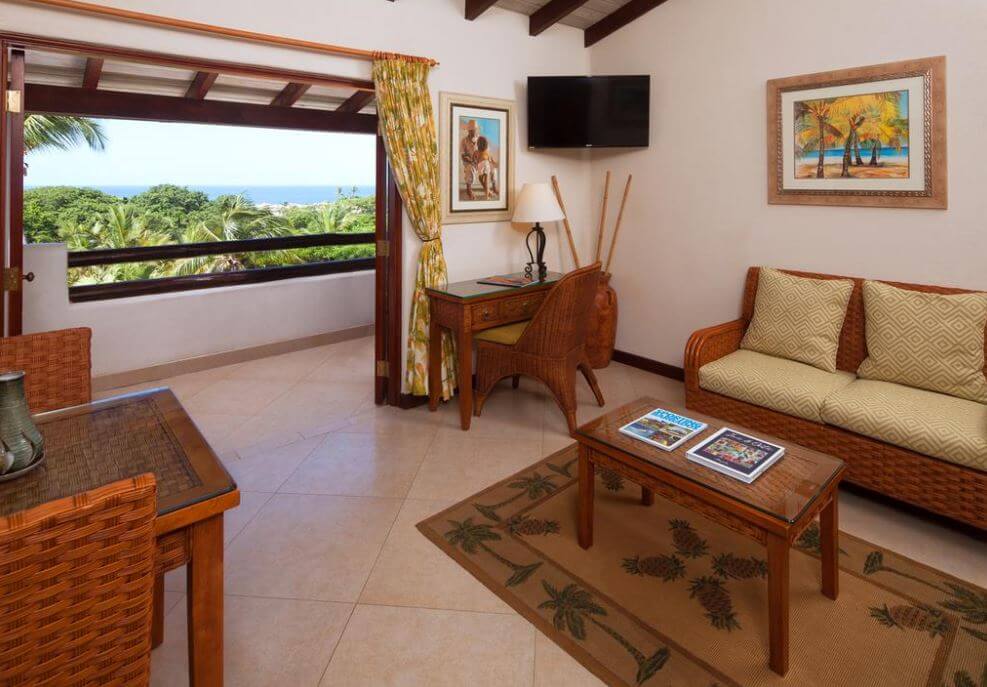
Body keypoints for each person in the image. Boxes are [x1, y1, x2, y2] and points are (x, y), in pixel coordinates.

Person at [459, 120, 479, 200]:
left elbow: (484, 151)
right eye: (471, 130)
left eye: (474, 130)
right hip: (469, 162)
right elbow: (463, 155)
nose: (473, 132)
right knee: (470, 168)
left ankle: (491, 188)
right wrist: (471, 160)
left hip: (479, 161)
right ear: (468, 131)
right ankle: (469, 189)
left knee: (492, 168)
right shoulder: (464, 140)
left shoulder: (479, 139)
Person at [475, 136, 499, 200]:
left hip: (480, 166)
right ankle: (487, 194)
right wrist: (494, 163)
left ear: (478, 144)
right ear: (486, 145)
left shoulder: (477, 151)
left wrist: (476, 164)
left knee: (481, 179)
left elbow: (475, 159)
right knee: (486, 180)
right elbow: (490, 159)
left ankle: (488, 192)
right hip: (485, 164)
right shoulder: (486, 152)